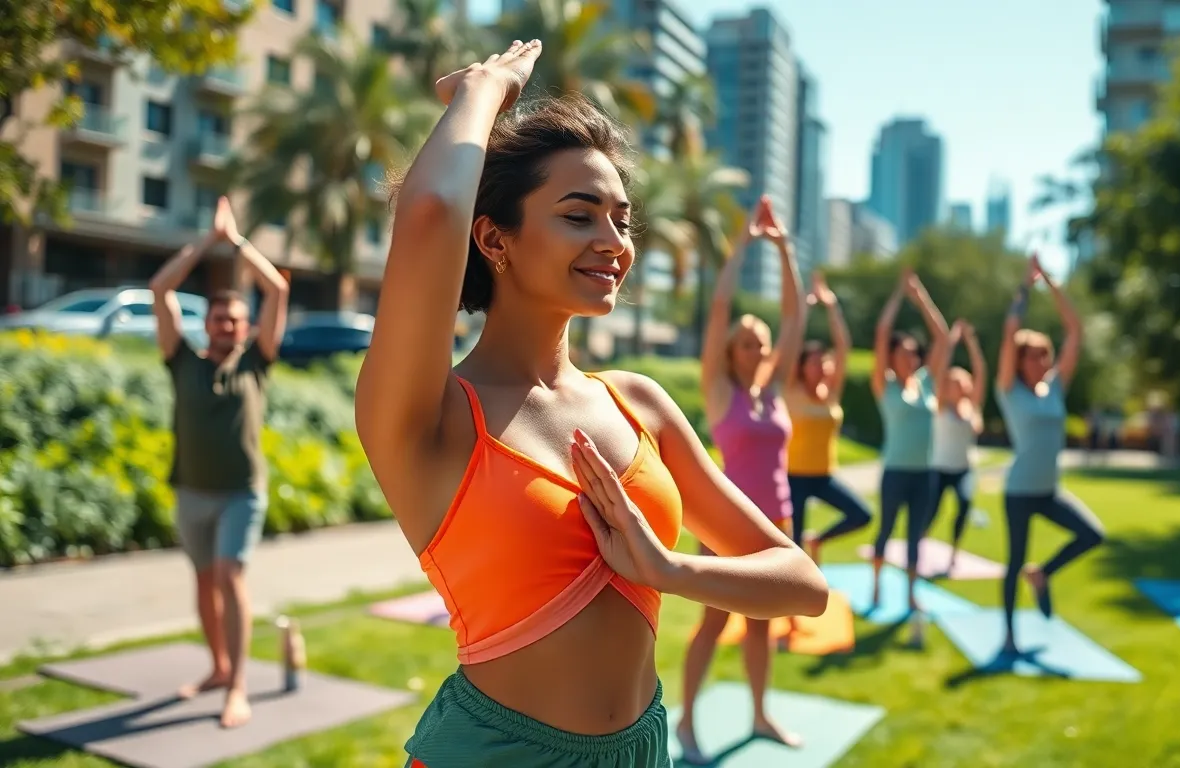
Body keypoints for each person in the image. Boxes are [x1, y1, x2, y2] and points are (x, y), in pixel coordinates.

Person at [355, 42, 827, 768]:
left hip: (643, 750)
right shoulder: (432, 419)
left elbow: (801, 584)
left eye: (622, 221)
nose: (613, 244)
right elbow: (430, 211)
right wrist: (482, 91)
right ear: (494, 238)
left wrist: (670, 571)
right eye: (580, 216)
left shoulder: (639, 403)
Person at [676, 194, 809, 763]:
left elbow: (796, 316)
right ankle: (687, 723)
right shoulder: (720, 390)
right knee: (713, 624)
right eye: (747, 343)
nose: (757, 349)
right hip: (728, 523)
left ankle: (760, 714)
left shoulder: (772, 391)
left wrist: (782, 249)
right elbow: (719, 307)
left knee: (762, 626)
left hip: (777, 520)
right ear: (732, 351)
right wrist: (743, 246)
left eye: (762, 343)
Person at [149, 196, 290, 728]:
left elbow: (277, 290)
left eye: (235, 320)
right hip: (191, 491)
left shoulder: (256, 362)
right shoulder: (180, 360)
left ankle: (237, 689)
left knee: (230, 577)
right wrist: (207, 243)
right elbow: (159, 289)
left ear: (245, 326)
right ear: (206, 324)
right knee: (205, 583)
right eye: (219, 319)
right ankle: (218, 668)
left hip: (240, 493)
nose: (227, 326)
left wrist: (237, 244)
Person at [995, 254, 1104, 656]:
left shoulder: (1056, 388)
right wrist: (1026, 287)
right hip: (1020, 491)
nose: (1042, 360)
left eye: (1045, 354)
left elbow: (1075, 331)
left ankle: (1042, 574)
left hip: (1050, 490)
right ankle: (1009, 635)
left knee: (1092, 535)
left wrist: (1053, 283)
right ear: (1020, 360)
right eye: (1033, 355)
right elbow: (1010, 330)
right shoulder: (1009, 390)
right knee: (1013, 562)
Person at [870, 268, 950, 610]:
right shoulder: (885, 386)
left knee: (916, 536)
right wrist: (898, 296)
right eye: (903, 353)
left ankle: (911, 594)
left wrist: (921, 299)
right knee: (886, 531)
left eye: (914, 353)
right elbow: (882, 332)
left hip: (923, 474)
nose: (910, 357)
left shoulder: (927, 383)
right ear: (891, 357)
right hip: (895, 472)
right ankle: (876, 585)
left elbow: (943, 338)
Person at [784, 271, 873, 564]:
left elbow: (843, 347)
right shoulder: (792, 390)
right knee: (793, 545)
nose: (820, 368)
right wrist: (805, 309)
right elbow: (792, 344)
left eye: (823, 363)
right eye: (813, 362)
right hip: (793, 477)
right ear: (802, 366)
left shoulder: (831, 392)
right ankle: (793, 590)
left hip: (824, 476)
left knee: (862, 514)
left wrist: (832, 307)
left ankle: (819, 540)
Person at [930, 319, 987, 571]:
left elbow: (980, 371)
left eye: (962, 382)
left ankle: (954, 551)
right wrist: (951, 342)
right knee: (931, 512)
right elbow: (940, 369)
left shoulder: (972, 407)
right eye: (954, 382)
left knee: (964, 504)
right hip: (939, 468)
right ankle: (918, 545)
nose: (959, 386)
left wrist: (971, 342)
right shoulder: (941, 405)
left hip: (963, 468)